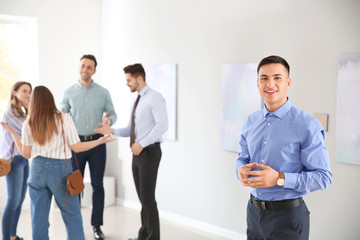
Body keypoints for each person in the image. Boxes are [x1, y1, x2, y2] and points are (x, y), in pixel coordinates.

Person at [236, 55, 332, 240]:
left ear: (288, 82)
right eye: (264, 78)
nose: (270, 84)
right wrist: (239, 169)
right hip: (253, 213)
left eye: (277, 78)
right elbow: (242, 157)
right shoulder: (251, 121)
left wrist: (279, 179)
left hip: (287, 218)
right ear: (257, 83)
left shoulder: (307, 125)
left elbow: (323, 178)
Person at [1, 86, 115, 240]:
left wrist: (14, 134)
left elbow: (26, 154)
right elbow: (77, 147)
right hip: (61, 170)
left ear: (34, 102)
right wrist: (99, 142)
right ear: (50, 99)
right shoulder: (64, 118)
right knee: (72, 218)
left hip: (37, 171)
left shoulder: (29, 122)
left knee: (38, 221)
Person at [95, 63, 168, 240]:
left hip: (149, 152)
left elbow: (162, 126)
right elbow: (131, 130)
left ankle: (152, 238)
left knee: (148, 199)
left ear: (139, 78)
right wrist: (111, 131)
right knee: (143, 198)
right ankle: (144, 235)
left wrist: (141, 143)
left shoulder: (155, 98)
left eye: (129, 80)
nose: (127, 83)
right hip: (138, 153)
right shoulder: (138, 100)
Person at [60, 54, 117, 240]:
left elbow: (112, 115)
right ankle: (75, 225)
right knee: (75, 184)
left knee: (98, 184)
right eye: (83, 66)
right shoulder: (68, 92)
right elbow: (62, 114)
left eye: (89, 67)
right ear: (79, 67)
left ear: (94, 70)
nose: (85, 70)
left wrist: (107, 120)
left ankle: (96, 226)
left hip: (97, 144)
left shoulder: (103, 92)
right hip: (76, 145)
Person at [0, 81, 32, 240]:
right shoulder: (10, 114)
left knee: (19, 201)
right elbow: (28, 133)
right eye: (25, 91)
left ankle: (12, 236)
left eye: (30, 92)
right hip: (13, 161)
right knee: (13, 201)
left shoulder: (23, 113)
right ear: (15, 93)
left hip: (24, 160)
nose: (28, 94)